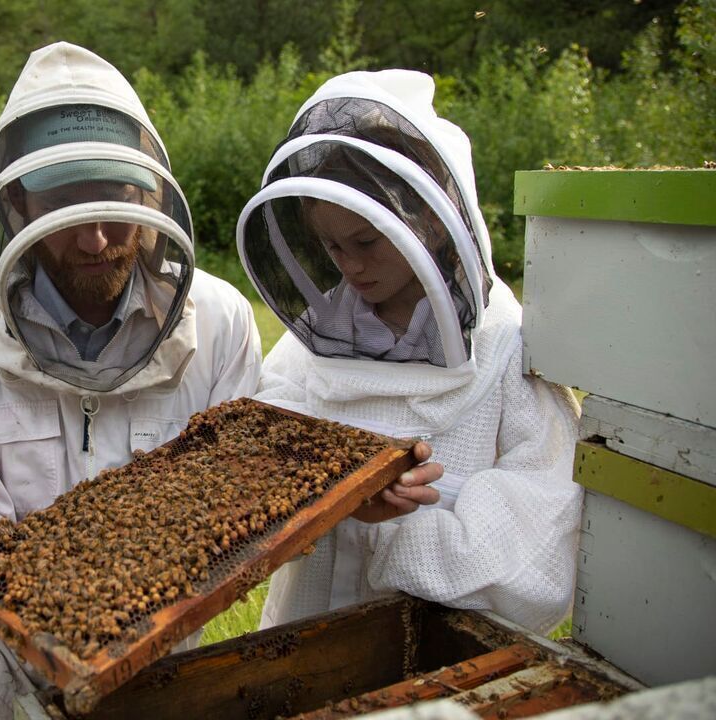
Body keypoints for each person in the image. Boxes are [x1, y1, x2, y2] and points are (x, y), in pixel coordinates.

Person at [0, 42, 263, 719]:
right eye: (63, 206)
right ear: (22, 207)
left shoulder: (223, 323)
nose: (94, 240)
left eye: (116, 202)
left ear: (149, 192)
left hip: (160, 678)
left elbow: (234, 513)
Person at [235, 70, 582, 632]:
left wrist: (394, 529)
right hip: (301, 630)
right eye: (331, 245)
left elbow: (537, 544)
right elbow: (258, 462)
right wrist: (337, 499)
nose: (349, 265)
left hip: (437, 648)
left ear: (431, 221)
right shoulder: (313, 342)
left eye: (366, 241)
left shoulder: (510, 353)